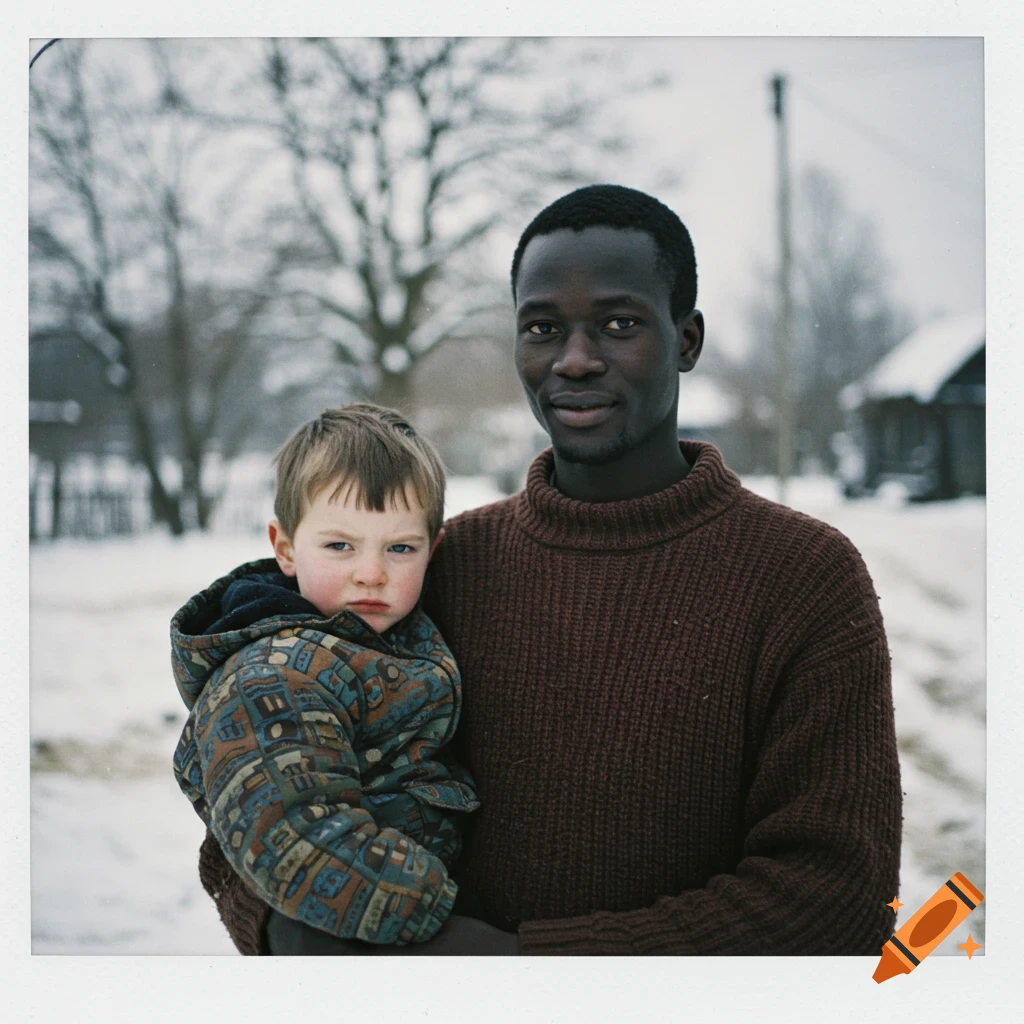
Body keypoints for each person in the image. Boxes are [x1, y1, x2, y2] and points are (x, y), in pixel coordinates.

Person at [200, 184, 903, 956]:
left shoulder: (801, 576)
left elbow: (836, 898)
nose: (574, 359)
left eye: (620, 323)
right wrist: (285, 928)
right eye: (543, 327)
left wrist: (514, 970)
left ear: (687, 339)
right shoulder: (435, 564)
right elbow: (255, 792)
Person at [171, 403, 481, 948]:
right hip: (374, 943)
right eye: (340, 546)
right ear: (285, 548)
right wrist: (451, 928)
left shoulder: (397, 640)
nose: (371, 573)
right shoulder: (272, 678)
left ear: (432, 551)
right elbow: (296, 837)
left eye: (400, 548)